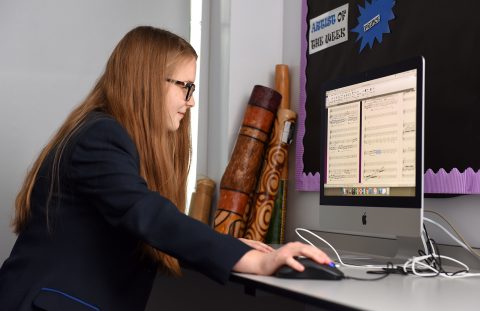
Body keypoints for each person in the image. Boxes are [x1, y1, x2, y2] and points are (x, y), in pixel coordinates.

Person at [0, 26, 331, 311]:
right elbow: (148, 215)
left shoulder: (106, 134)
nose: (191, 100)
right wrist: (254, 260)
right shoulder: (100, 136)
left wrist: (233, 247)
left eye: (193, 87)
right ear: (146, 82)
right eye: (183, 86)